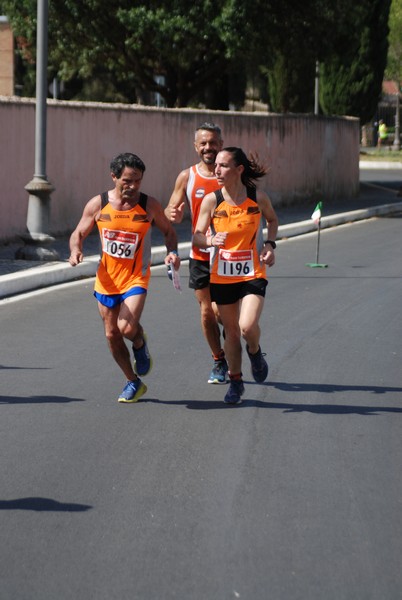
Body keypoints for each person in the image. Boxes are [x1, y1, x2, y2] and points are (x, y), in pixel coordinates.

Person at [69, 152, 180, 403]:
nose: (132, 186)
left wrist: (172, 253)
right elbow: (78, 233)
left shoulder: (148, 205)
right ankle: (132, 382)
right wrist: (75, 249)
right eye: (127, 181)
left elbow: (169, 232)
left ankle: (139, 341)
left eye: (137, 181)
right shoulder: (98, 204)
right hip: (106, 280)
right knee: (111, 334)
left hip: (135, 277)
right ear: (114, 177)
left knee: (127, 327)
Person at [193, 147, 278, 404]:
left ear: (239, 170)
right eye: (215, 165)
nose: (216, 170)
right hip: (222, 274)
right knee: (230, 331)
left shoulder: (257, 198)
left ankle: (255, 352)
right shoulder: (212, 200)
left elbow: (272, 221)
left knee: (246, 326)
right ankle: (236, 382)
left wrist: (270, 245)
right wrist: (209, 241)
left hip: (252, 271)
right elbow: (197, 235)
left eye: (223, 166)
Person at [165, 122, 227, 384]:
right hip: (200, 254)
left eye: (212, 143)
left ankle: (236, 337)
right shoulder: (187, 176)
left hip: (229, 257)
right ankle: (219, 360)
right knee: (206, 311)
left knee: (221, 314)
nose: (208, 148)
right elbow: (171, 210)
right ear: (195, 146)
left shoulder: (232, 174)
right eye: (203, 143)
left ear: (220, 145)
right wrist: (174, 213)